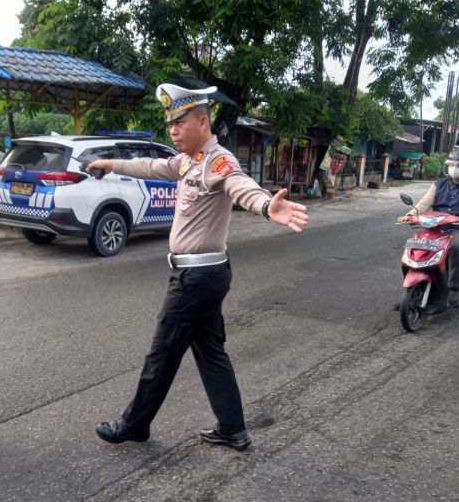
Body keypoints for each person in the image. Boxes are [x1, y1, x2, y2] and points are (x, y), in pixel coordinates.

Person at [86, 83, 309, 450]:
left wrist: (268, 205)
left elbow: (240, 186)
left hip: (196, 278)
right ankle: (233, 429)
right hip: (204, 275)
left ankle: (134, 424)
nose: (172, 130)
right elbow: (151, 166)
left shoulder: (216, 161)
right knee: (209, 351)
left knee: (162, 352)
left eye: (180, 122)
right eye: (169, 123)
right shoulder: (187, 161)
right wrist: (110, 164)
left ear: (203, 122)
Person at [398, 146, 459, 308]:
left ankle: (454, 290)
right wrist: (410, 215)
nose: (455, 168)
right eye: (452, 165)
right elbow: (423, 204)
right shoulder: (438, 184)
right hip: (436, 228)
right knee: (414, 245)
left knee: (456, 247)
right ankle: (413, 289)